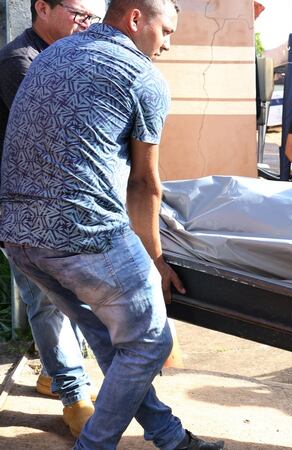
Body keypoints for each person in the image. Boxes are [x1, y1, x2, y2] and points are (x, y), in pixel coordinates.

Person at [0, 1, 223, 448]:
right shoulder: (143, 77)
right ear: (136, 19)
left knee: (107, 337)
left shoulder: (51, 53)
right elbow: (143, 184)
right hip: (83, 234)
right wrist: (156, 260)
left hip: (18, 234)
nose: (168, 45)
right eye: (167, 32)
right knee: (149, 343)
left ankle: (170, 437)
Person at [0, 0, 107, 436]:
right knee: (46, 298)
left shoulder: (59, 54)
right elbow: (61, 131)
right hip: (19, 208)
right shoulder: (20, 63)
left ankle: (51, 374)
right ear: (41, 8)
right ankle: (73, 395)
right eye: (78, 12)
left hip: (54, 203)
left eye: (90, 16)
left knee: (63, 294)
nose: (86, 23)